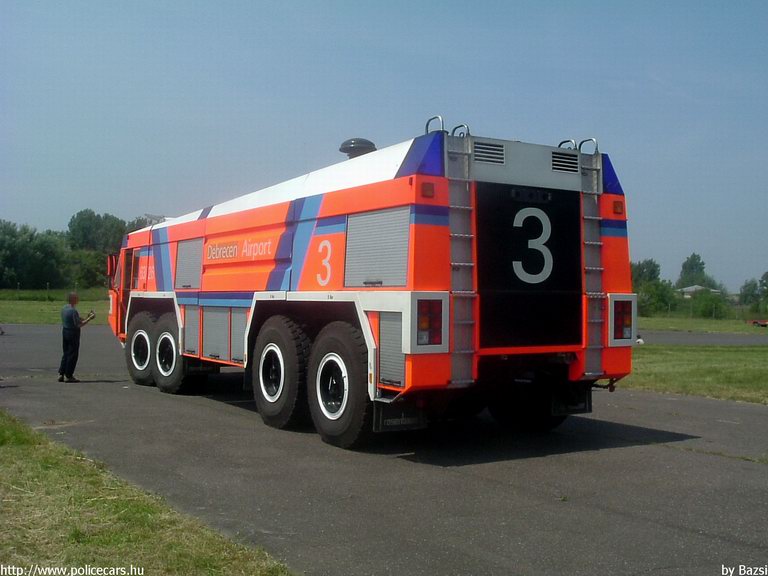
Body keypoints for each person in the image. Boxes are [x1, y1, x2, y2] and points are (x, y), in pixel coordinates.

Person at [58, 292, 95, 383]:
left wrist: (86, 317)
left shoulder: (64, 308)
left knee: (66, 353)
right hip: (73, 333)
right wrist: (89, 319)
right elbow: (78, 324)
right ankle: (69, 375)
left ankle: (61, 373)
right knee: (73, 354)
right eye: (76, 298)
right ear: (73, 299)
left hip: (65, 331)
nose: (78, 299)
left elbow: (77, 319)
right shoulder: (73, 311)